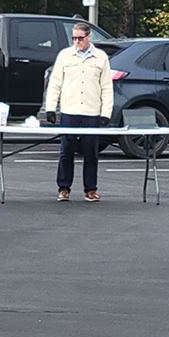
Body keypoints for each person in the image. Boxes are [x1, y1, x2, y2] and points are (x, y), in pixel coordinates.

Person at [44, 21, 113, 202]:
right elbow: (55, 84)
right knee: (66, 150)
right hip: (70, 110)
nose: (76, 41)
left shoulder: (100, 57)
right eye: (74, 38)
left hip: (91, 111)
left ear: (88, 37)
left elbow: (106, 87)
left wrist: (106, 112)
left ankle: (90, 189)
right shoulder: (65, 56)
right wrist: (51, 108)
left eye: (80, 38)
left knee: (91, 152)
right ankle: (64, 188)